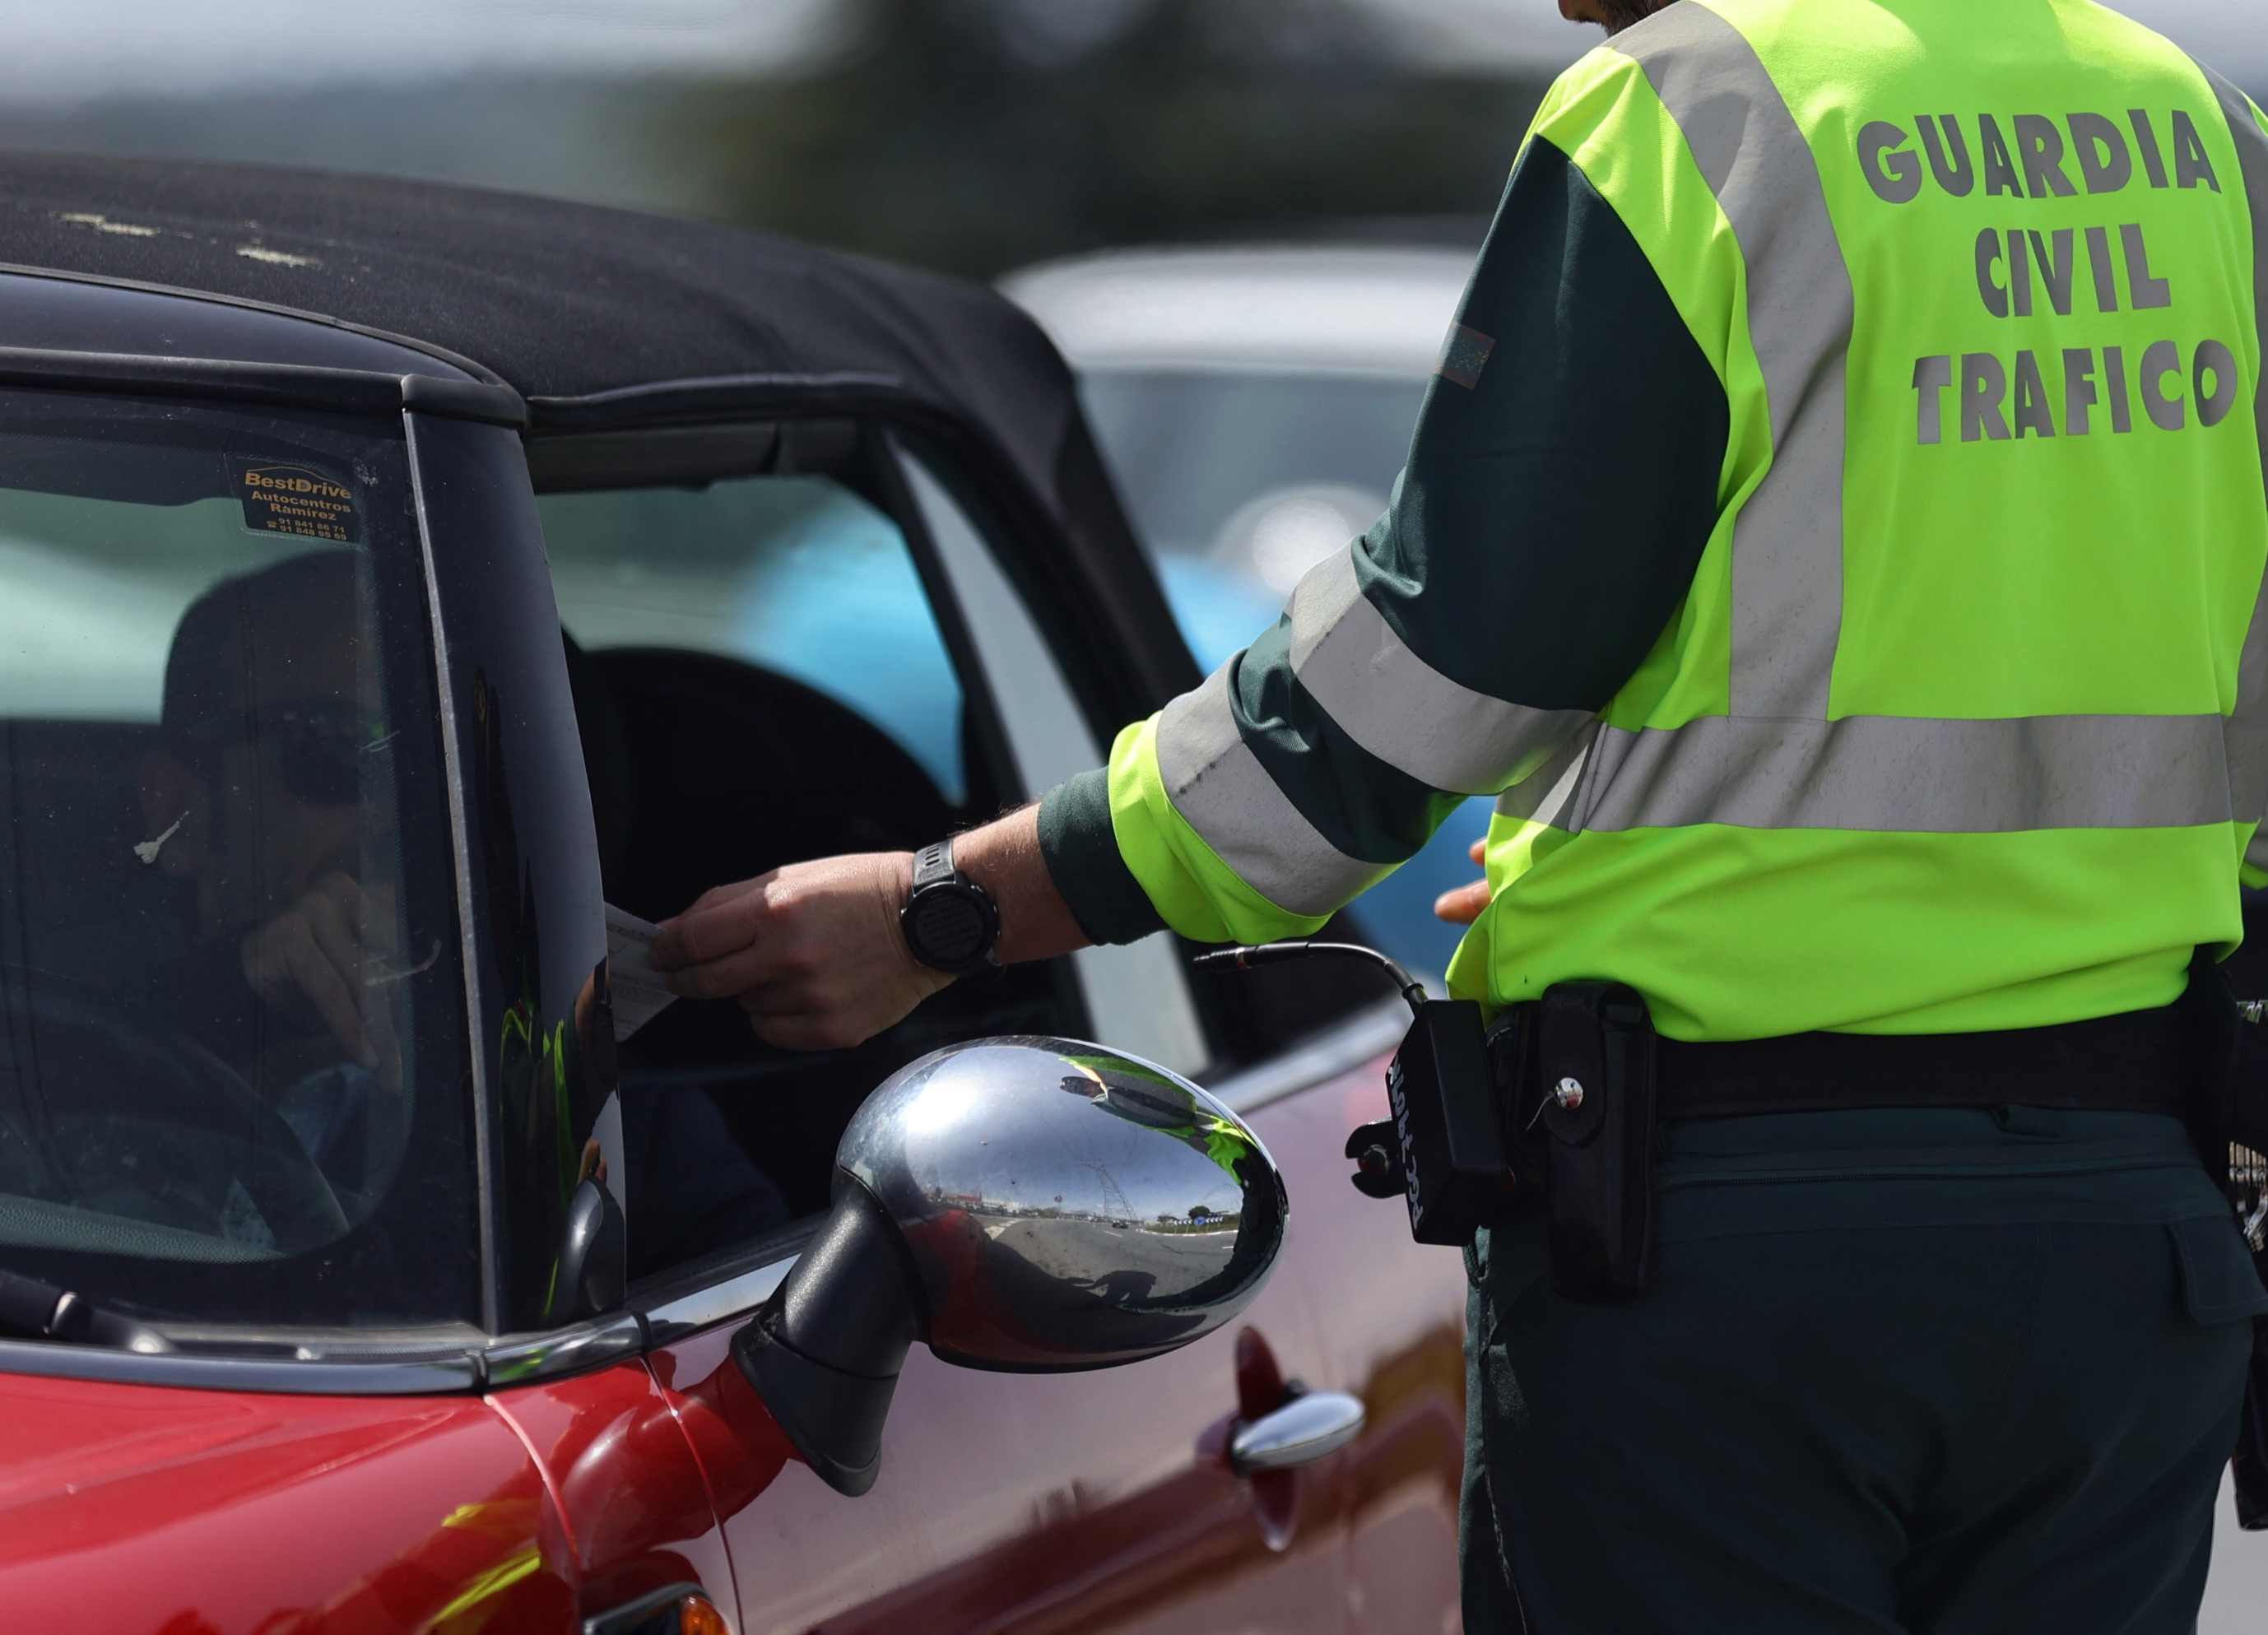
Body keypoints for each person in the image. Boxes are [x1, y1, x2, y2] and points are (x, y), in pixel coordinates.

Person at [653, 0, 2268, 1627]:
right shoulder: (2196, 124)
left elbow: (1408, 694)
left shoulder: (1691, 112)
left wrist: (956, 905)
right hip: (2122, 1253)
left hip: (1729, 1264)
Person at [136, 550, 407, 1172]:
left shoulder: (592, 1107)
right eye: (339, 749)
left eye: (434, 767)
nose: (396, 816)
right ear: (175, 808)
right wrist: (237, 994)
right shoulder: (52, 1031)